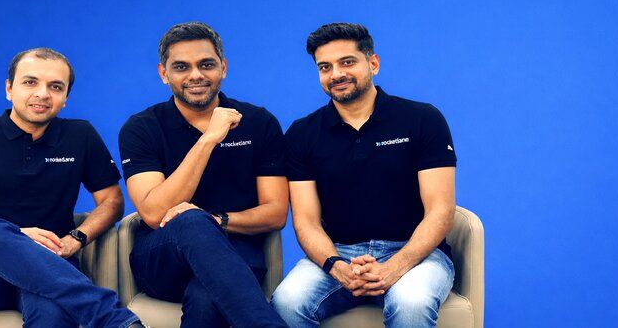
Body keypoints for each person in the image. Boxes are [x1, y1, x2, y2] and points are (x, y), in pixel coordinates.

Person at [271, 23, 458, 327]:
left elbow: (441, 209)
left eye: (347, 62)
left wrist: (395, 266)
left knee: (411, 303)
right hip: (338, 252)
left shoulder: (422, 119)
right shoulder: (302, 133)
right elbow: (306, 220)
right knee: (287, 302)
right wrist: (336, 266)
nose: (336, 74)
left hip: (416, 252)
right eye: (325, 67)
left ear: (373, 63)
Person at [118, 21, 289, 328]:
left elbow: (276, 213)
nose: (195, 75)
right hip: (163, 257)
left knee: (207, 298)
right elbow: (154, 214)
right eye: (181, 67)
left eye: (206, 65)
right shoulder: (141, 128)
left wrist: (216, 220)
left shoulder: (259, 122)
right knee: (190, 220)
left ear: (223, 67)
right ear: (164, 73)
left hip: (237, 252)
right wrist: (209, 139)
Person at [0, 48, 142, 328]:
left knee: (53, 314)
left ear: (65, 98)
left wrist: (76, 238)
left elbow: (112, 201)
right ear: (9, 89)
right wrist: (18, 237)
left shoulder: (80, 135)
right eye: (30, 82)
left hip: (53, 262)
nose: (43, 94)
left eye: (55, 87)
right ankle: (115, 320)